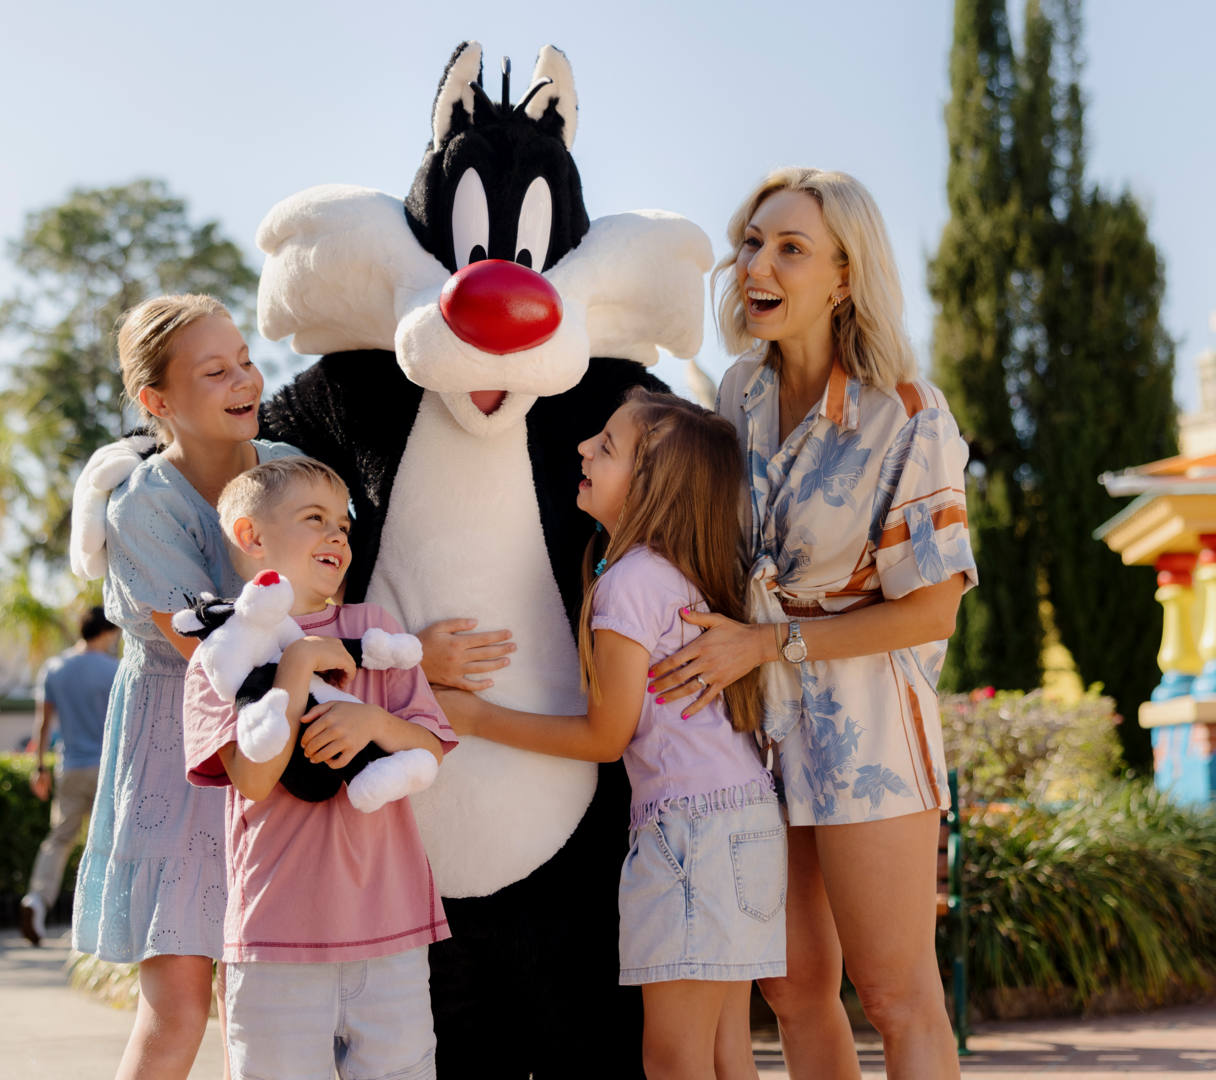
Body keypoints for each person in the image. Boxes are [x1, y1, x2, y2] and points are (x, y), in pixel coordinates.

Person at [644, 168, 977, 1080]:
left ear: (844, 276)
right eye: (752, 242)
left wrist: (770, 641)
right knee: (792, 990)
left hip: (867, 730)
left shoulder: (906, 412)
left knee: (897, 995)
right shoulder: (732, 400)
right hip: (753, 732)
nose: (758, 263)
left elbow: (935, 603)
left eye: (791, 247)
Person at [436, 388, 783, 1080]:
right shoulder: (681, 574)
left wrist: (476, 718)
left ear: (649, 484)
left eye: (608, 446)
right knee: (724, 1051)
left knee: (672, 1058)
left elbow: (605, 735)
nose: (583, 449)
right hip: (743, 820)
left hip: (689, 833)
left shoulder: (629, 585)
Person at [72, 294, 302, 1080]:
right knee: (177, 1014)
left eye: (244, 358)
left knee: (264, 1010)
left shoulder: (289, 470)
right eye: (216, 369)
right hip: (179, 750)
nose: (245, 378)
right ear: (157, 402)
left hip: (274, 735)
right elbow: (212, 651)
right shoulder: (144, 507)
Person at [185, 455, 454, 1080]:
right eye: (315, 519)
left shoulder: (375, 631)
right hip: (275, 942)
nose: (338, 535)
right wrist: (300, 662)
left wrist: (374, 724)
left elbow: (431, 750)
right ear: (251, 536)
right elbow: (253, 778)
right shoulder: (220, 655)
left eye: (344, 524)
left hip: (392, 934)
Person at [19, 605, 121, 946]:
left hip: (70, 768)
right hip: (109, 770)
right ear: (107, 632)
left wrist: (40, 768)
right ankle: (106, 919)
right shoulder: (116, 670)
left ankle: (36, 900)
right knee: (110, 843)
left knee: (60, 838)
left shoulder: (55, 668)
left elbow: (43, 724)